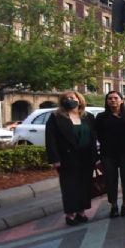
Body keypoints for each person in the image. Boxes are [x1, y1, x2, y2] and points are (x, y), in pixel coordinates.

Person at [45, 91, 97, 226]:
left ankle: (81, 211)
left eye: (72, 98)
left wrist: (95, 156)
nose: (69, 100)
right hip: (66, 158)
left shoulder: (89, 117)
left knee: (85, 185)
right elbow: (50, 139)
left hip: (86, 157)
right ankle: (70, 214)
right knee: (69, 186)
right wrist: (54, 159)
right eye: (66, 98)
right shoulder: (56, 117)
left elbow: (93, 138)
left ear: (79, 100)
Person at [95, 90, 125, 218]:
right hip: (107, 154)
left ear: (122, 100)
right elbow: (98, 135)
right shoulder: (100, 117)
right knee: (110, 180)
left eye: (116, 98)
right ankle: (114, 205)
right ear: (106, 101)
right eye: (110, 98)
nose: (113, 100)